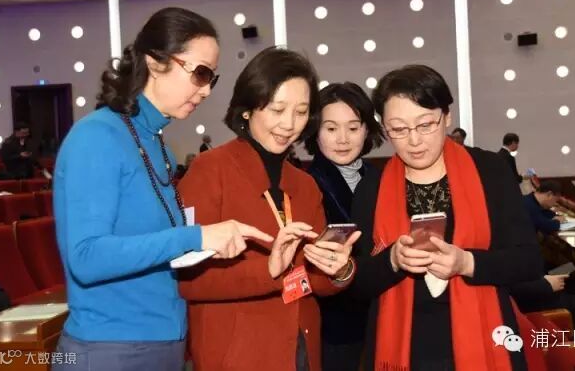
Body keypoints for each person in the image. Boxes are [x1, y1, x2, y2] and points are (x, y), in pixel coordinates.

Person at [52, 7, 273, 371]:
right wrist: (196, 238)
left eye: (212, 78)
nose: (206, 90)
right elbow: (86, 258)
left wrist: (208, 245)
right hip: (109, 348)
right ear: (155, 63)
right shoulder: (96, 137)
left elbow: (156, 247)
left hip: (163, 343)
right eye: (200, 73)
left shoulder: (157, 144)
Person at [348, 65, 544, 370]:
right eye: (398, 129)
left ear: (447, 117)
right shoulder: (372, 188)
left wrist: (467, 263)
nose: (414, 140)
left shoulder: (490, 171)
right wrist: (392, 261)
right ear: (384, 128)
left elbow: (529, 261)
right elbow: (357, 283)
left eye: (426, 125)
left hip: (485, 337)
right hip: (404, 347)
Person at [178, 46, 361, 371]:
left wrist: (339, 269)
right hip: (237, 355)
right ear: (248, 109)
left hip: (301, 346)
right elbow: (188, 280)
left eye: (301, 112)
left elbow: (311, 278)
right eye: (277, 110)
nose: (289, 124)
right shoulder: (209, 171)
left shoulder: (305, 184)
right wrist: (268, 269)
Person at [304, 81, 383, 371]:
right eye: (331, 128)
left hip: (382, 311)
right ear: (315, 131)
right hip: (333, 320)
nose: (343, 139)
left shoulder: (380, 177)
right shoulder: (305, 184)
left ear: (367, 130)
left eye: (353, 127)